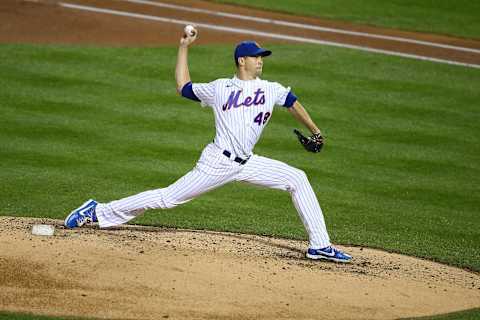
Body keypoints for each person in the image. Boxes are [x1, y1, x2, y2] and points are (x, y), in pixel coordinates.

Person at [65, 27, 352, 263]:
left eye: (262, 56)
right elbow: (183, 87)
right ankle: (97, 211)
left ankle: (320, 245)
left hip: (247, 162)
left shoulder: (270, 88)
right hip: (217, 162)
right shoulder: (220, 88)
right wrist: (183, 47)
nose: (261, 60)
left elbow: (293, 102)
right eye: (256, 57)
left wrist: (315, 130)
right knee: (168, 198)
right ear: (242, 61)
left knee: (297, 178)